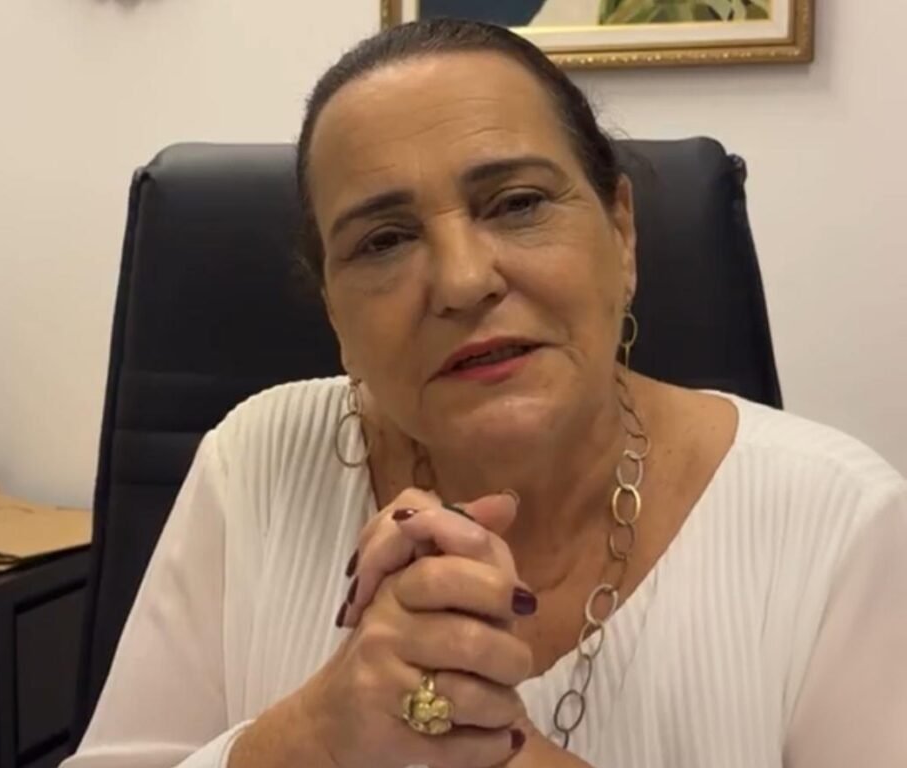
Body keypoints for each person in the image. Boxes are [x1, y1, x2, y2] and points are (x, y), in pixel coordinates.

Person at [63, 18, 907, 768]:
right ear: (334, 314)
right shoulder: (254, 461)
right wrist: (315, 735)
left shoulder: (838, 522)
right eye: (384, 240)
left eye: (517, 203)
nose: (464, 281)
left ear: (622, 233)